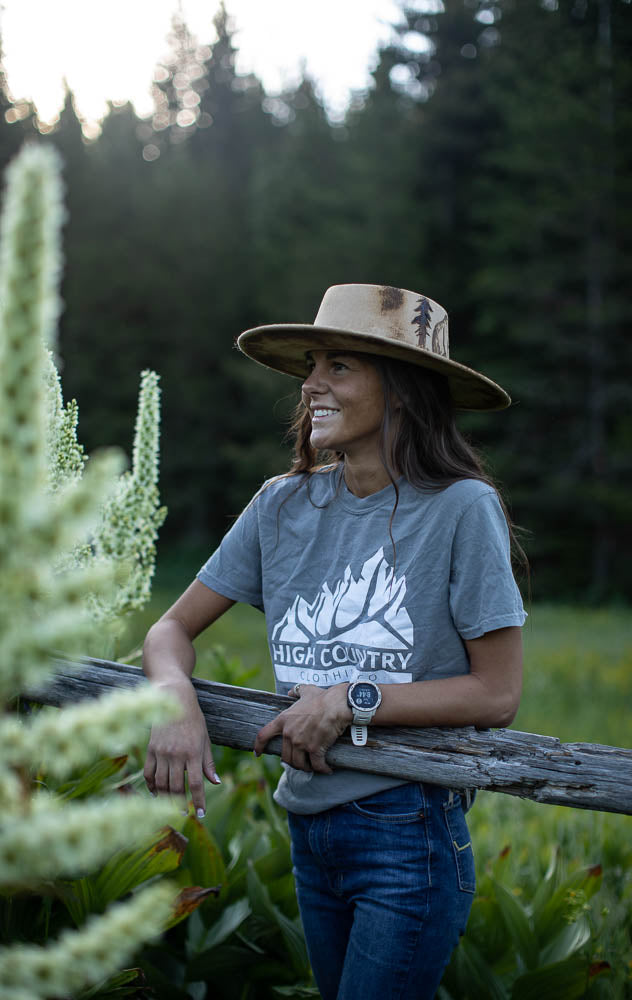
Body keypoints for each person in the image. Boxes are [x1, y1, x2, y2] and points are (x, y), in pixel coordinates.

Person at [143, 283, 527, 1000]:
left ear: (405, 391)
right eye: (311, 364)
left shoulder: (460, 509)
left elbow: (497, 693)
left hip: (407, 832)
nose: (310, 383)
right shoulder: (279, 504)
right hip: (308, 823)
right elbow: (170, 629)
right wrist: (171, 699)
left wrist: (352, 699)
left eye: (339, 366)